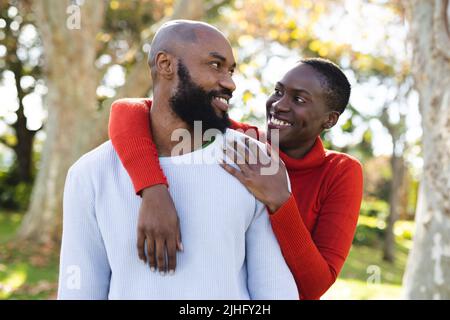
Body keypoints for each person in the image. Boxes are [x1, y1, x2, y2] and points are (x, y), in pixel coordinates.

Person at [58, 20, 298, 300]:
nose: (229, 82)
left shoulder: (254, 162)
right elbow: (80, 290)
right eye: (215, 65)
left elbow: (274, 288)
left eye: (231, 70)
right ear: (165, 64)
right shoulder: (90, 173)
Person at [109, 46, 364, 299]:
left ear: (330, 120)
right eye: (278, 91)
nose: (278, 105)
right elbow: (127, 110)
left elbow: (314, 286)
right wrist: (153, 191)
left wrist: (281, 201)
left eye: (298, 99)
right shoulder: (240, 142)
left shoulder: (340, 172)